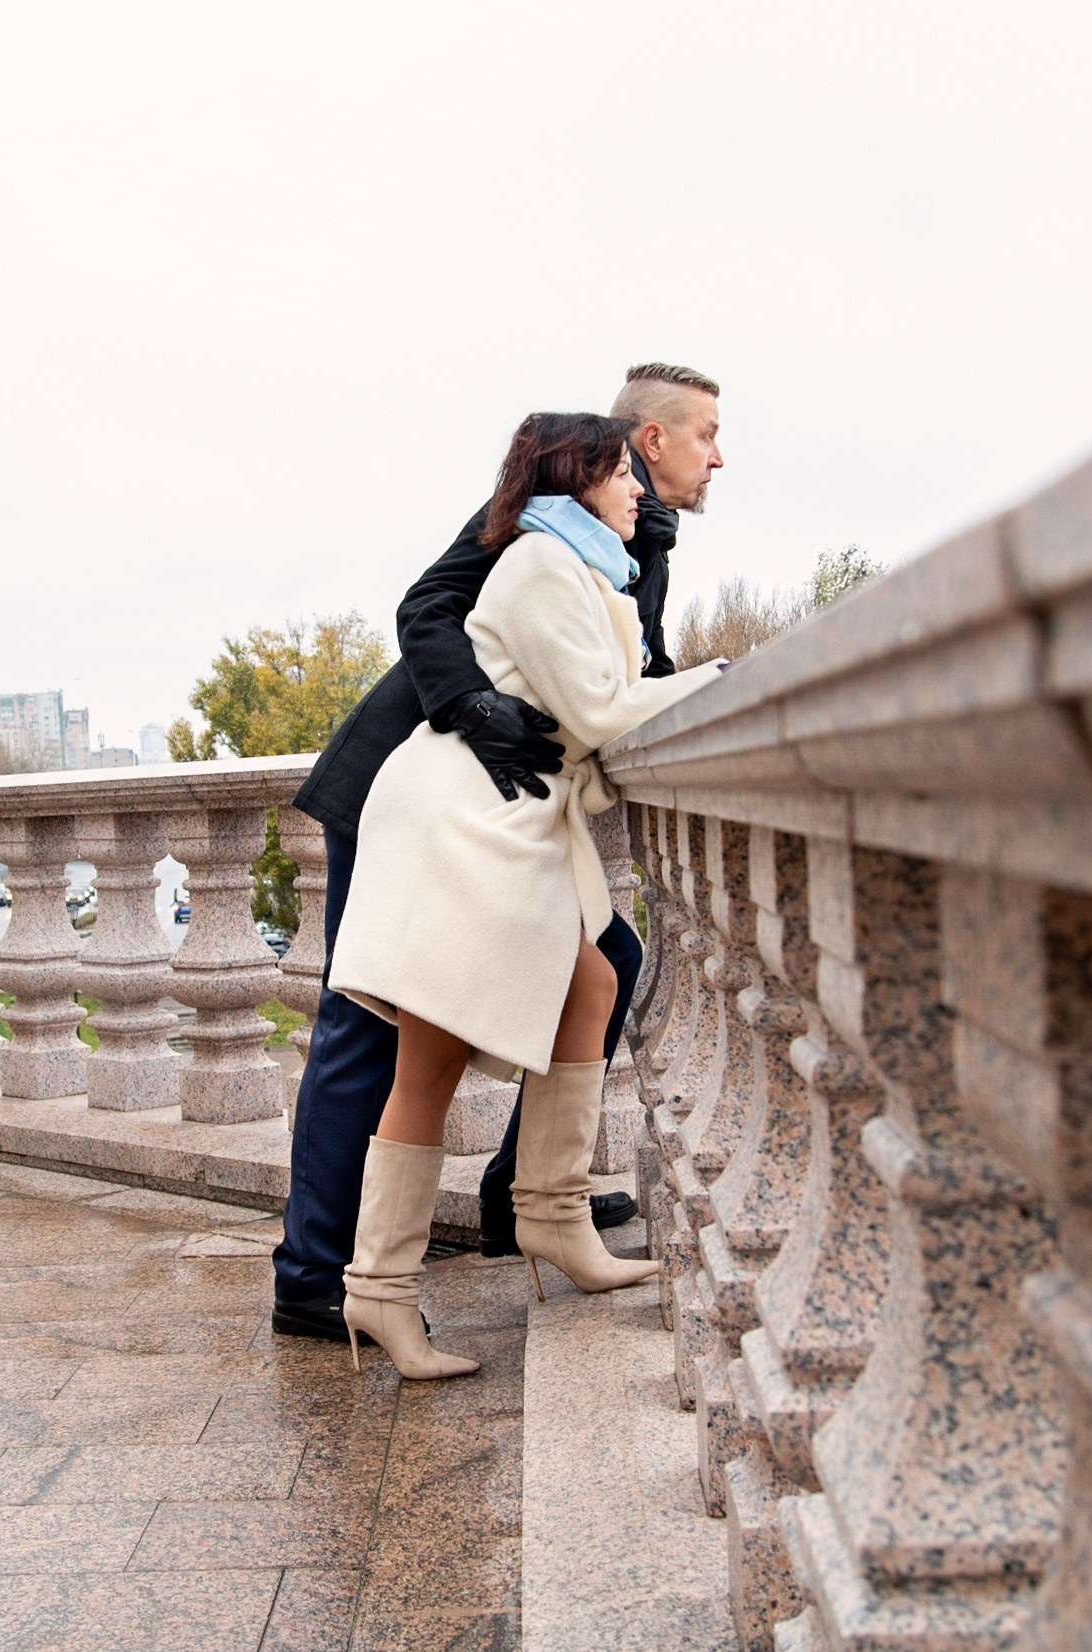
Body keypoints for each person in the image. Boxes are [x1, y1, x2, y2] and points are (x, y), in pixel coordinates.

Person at [273, 364, 724, 1343]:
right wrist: (472, 704)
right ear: (645, 441)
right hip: (418, 774)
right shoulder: (547, 513)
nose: (717, 457)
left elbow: (622, 676)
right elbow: (428, 609)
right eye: (703, 435)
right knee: (373, 1025)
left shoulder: (633, 537)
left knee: (607, 967)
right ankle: (312, 1271)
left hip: (512, 799)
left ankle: (525, 1202)